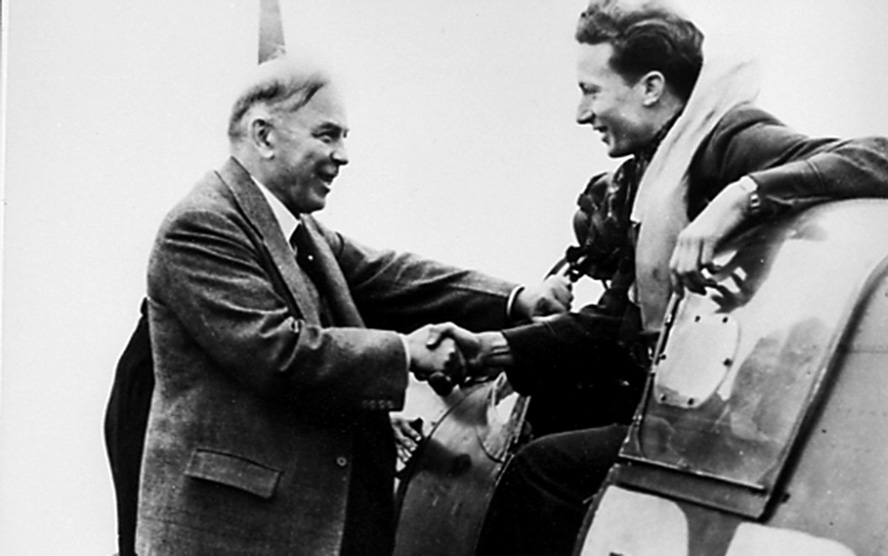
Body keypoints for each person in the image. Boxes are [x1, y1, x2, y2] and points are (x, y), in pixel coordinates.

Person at [426, 1, 888, 555]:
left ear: (650, 87)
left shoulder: (725, 140)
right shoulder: (651, 170)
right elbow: (613, 325)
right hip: (679, 405)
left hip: (726, 426)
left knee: (543, 475)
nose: (580, 113)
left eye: (591, 91)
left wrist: (741, 196)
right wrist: (492, 347)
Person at [134, 55, 570, 556]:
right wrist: (407, 353)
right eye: (327, 135)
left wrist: (516, 300)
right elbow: (280, 353)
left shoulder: (298, 229)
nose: (343, 155)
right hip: (234, 531)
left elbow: (392, 276)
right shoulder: (203, 225)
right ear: (264, 135)